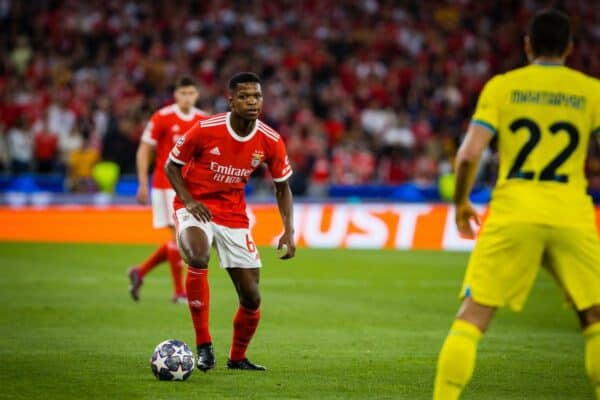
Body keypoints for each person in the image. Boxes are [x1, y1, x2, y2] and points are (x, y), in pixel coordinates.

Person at [433, 10, 600, 400]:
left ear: (527, 45)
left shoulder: (503, 87)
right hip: (571, 212)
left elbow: (468, 154)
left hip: (514, 210)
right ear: (570, 48)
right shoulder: (591, 90)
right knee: (593, 319)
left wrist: (460, 203)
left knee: (472, 319)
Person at [165, 72, 296, 371]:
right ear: (231, 101)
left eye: (257, 96)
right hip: (195, 207)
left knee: (251, 297)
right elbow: (172, 165)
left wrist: (289, 232)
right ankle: (204, 345)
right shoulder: (205, 129)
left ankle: (237, 358)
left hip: (234, 214)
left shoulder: (270, 140)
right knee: (198, 256)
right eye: (245, 96)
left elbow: (282, 187)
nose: (252, 102)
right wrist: (189, 200)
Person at [128, 76, 208, 303]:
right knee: (179, 237)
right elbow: (144, 150)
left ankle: (140, 272)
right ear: (175, 94)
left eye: (190, 93)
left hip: (191, 186)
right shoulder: (162, 117)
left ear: (197, 94)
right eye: (182, 93)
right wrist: (142, 183)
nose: (186, 97)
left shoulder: (203, 120)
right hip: (165, 184)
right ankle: (179, 292)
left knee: (182, 238)